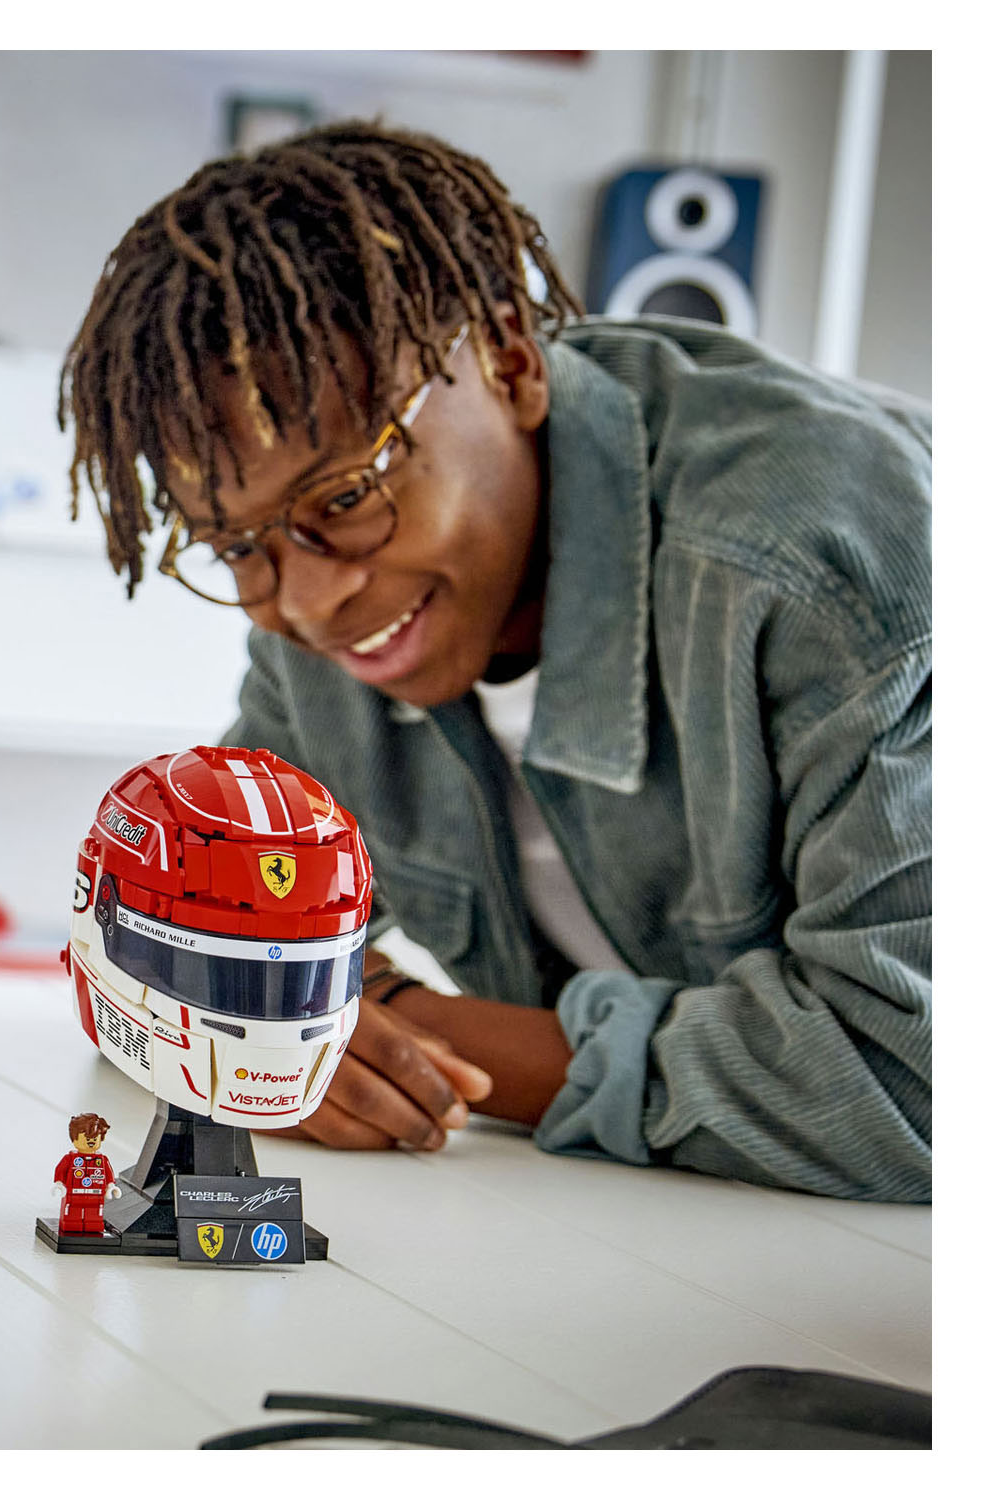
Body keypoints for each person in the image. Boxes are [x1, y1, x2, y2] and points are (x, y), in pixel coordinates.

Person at [57, 121, 931, 1202]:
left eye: (347, 496)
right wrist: (281, 1024)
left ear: (511, 360)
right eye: (237, 547)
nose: (305, 602)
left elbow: (912, 1082)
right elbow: (160, 933)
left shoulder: (832, 566)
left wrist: (372, 1029)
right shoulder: (332, 619)